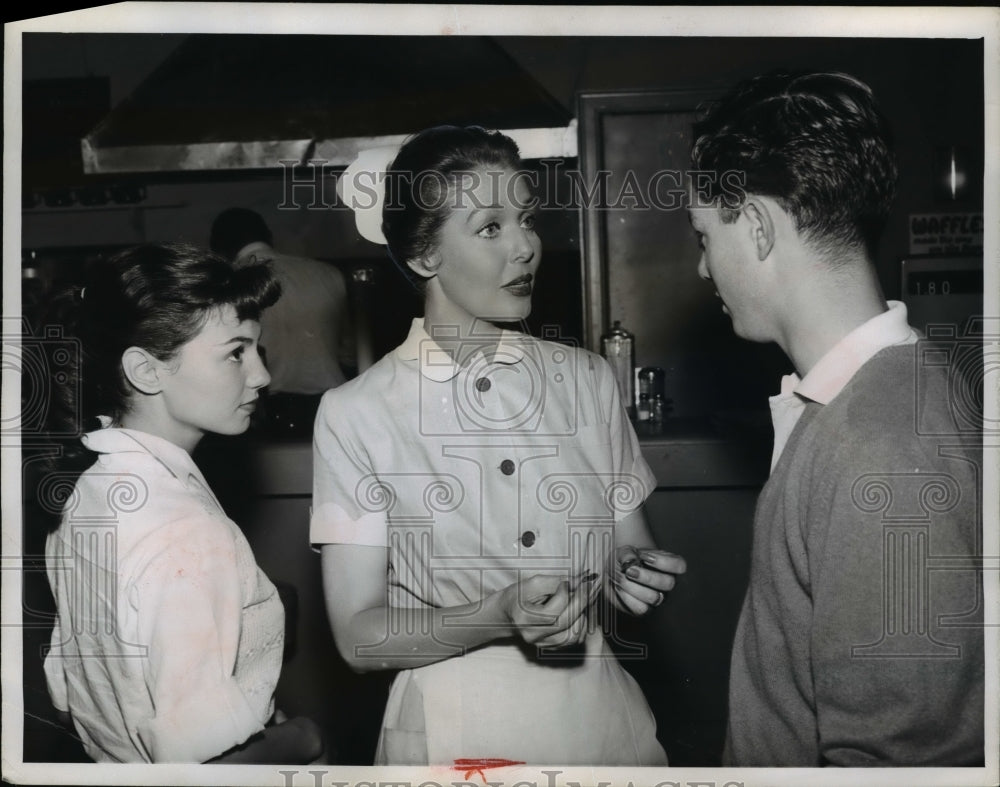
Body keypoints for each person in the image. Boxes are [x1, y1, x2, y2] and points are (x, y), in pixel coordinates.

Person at [312, 126, 685, 766]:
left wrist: (629, 573)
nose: (526, 246)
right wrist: (497, 616)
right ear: (425, 255)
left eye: (527, 219)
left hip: (601, 724)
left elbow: (628, 546)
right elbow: (358, 637)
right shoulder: (357, 414)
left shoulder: (588, 381)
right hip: (452, 736)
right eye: (490, 227)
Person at [688, 71, 984, 765]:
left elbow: (899, 760)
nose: (703, 269)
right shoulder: (882, 397)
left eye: (703, 237)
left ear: (756, 226)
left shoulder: (879, 446)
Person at [41, 243, 323, 763]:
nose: (261, 375)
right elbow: (208, 767)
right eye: (235, 352)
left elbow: (72, 699)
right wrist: (306, 737)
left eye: (257, 350)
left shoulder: (87, 491)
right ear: (146, 371)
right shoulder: (186, 530)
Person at [209, 207, 354, 394]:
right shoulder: (329, 273)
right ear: (268, 236)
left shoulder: (228, 282)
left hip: (264, 401)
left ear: (219, 249)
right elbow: (349, 353)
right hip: (332, 397)